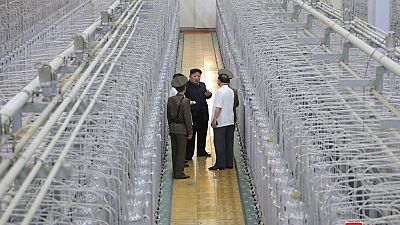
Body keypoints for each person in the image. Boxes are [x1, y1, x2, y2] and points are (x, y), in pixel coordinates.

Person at [167, 76, 193, 179]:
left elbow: (168, 115)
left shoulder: (170, 99)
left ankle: (175, 170)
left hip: (173, 127)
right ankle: (179, 173)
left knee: (175, 151)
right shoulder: (185, 101)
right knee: (181, 152)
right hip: (182, 129)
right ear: (185, 88)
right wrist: (190, 131)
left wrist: (170, 126)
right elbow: (187, 117)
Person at [185, 68, 212, 160]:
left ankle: (201, 151)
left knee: (202, 134)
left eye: (198, 76)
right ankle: (189, 154)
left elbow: (206, 95)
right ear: (190, 77)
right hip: (192, 115)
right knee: (191, 136)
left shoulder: (202, 85)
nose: (197, 78)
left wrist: (208, 95)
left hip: (203, 115)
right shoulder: (186, 87)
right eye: (195, 76)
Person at [209, 74, 235, 170]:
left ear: (219, 81)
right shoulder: (231, 91)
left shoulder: (220, 92)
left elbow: (218, 107)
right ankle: (229, 163)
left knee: (219, 143)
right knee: (228, 142)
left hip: (221, 121)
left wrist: (214, 119)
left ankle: (220, 164)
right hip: (230, 120)